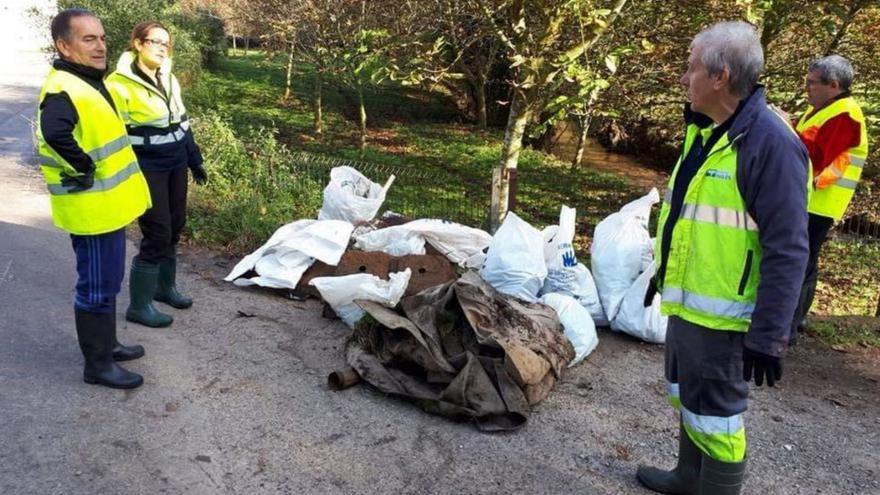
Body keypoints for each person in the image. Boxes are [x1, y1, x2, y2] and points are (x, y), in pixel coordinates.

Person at [637, 21, 809, 494]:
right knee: (688, 398)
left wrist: (769, 336)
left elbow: (789, 246)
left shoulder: (770, 144)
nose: (682, 78)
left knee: (718, 419)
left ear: (720, 76)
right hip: (691, 303)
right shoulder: (708, 128)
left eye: (690, 68)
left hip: (726, 317)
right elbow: (687, 217)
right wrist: (663, 275)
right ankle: (689, 476)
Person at [37, 9, 153, 389]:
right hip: (92, 210)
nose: (100, 46)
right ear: (64, 46)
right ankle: (98, 365)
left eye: (102, 38)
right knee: (97, 287)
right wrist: (82, 165)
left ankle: (108, 345)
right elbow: (53, 132)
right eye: (89, 39)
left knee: (107, 283)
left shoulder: (84, 80)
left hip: (106, 207)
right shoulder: (62, 89)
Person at [106, 21, 207, 328]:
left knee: (176, 226)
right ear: (137, 43)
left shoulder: (169, 78)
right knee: (158, 231)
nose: (163, 48)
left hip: (175, 163)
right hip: (146, 168)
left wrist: (194, 159)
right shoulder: (118, 84)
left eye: (167, 43)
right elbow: (113, 136)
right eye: (156, 42)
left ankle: (165, 289)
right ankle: (139, 305)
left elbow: (182, 123)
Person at [787, 55, 868, 343]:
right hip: (811, 199)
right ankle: (794, 322)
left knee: (797, 261)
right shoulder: (825, 109)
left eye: (812, 83)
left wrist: (785, 128)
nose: (806, 88)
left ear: (833, 85)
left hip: (817, 202)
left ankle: (788, 326)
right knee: (804, 261)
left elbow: (816, 156)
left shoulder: (845, 114)